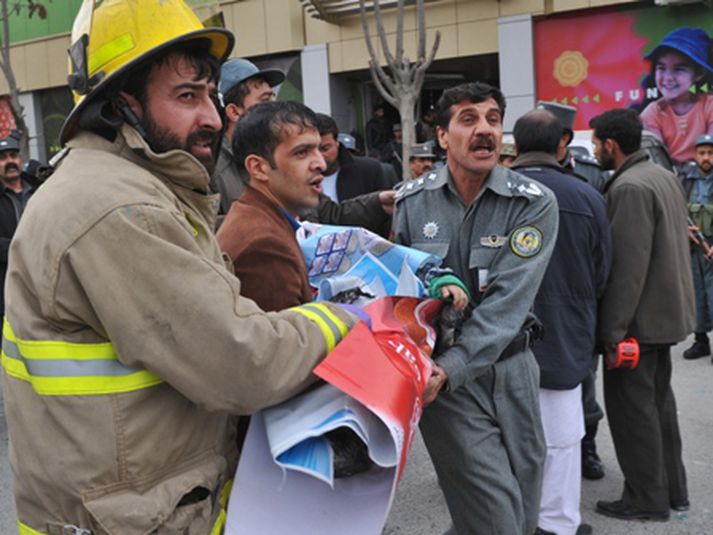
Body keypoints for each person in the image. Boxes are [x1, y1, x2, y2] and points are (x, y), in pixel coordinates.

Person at [1, 2, 361, 533]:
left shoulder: (128, 187)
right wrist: (344, 321)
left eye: (211, 95)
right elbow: (242, 364)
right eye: (187, 96)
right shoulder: (119, 208)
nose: (213, 118)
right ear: (122, 102)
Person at [392, 81, 559, 535]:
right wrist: (440, 370)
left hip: (515, 369)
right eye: (468, 119)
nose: (484, 130)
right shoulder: (412, 201)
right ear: (443, 136)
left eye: (492, 119)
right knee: (495, 516)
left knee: (522, 511)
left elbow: (508, 302)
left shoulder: (533, 204)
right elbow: (402, 289)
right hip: (447, 382)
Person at [591, 108, 694, 522]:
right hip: (664, 316)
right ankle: (673, 491)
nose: (595, 149)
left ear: (610, 145)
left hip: (638, 323)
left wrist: (612, 331)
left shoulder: (629, 187)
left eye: (597, 143)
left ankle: (647, 499)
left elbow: (627, 269)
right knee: (659, 407)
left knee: (635, 415)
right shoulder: (661, 175)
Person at [512, 109, 611, 535]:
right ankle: (558, 523)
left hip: (505, 336)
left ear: (515, 147)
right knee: (563, 440)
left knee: (507, 438)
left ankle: (516, 519)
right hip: (568, 335)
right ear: (561, 145)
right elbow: (603, 271)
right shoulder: (587, 196)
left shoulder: (498, 192)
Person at [538, 99, 607, 481]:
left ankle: (588, 449)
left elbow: (604, 250)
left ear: (564, 138)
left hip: (578, 297)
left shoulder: (593, 177)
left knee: (583, 383)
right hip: (539, 297)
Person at [211, 57, 286, 214]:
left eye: (274, 98)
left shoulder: (278, 156)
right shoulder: (211, 170)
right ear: (234, 112)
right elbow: (204, 230)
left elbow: (326, 212)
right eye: (265, 101)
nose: (276, 108)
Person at [640, 27, 713, 167]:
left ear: (699, 74)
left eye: (679, 69)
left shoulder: (709, 105)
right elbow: (658, 160)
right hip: (672, 179)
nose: (667, 77)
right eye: (661, 68)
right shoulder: (653, 113)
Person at [682, 133, 713, 360]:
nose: (706, 157)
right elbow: (678, 210)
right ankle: (700, 340)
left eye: (710, 153)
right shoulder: (686, 180)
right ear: (695, 155)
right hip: (693, 248)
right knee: (696, 295)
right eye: (702, 153)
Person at [315, 112, 391, 202]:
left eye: (325, 148)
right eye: (312, 149)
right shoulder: (299, 179)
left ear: (337, 142)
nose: (320, 156)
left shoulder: (370, 170)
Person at [0, 132, 35, 316]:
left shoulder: (40, 189)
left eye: (13, 155)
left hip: (42, 281)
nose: (9, 161)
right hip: (7, 287)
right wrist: (24, 248)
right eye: (3, 158)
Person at [537, 101, 608, 192]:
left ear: (564, 139)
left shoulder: (592, 171)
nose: (535, 137)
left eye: (542, 133)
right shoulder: (523, 166)